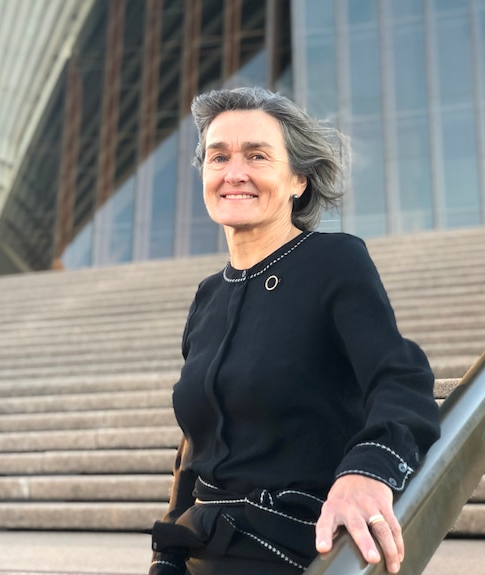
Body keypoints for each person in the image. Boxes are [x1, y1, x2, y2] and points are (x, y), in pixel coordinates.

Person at [147, 87, 441, 575]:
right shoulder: (208, 296)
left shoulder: (333, 262)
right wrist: (168, 550)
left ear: (297, 179)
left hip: (291, 548)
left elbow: (400, 380)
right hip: (200, 549)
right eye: (218, 157)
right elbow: (193, 450)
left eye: (257, 155)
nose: (234, 172)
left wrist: (367, 471)